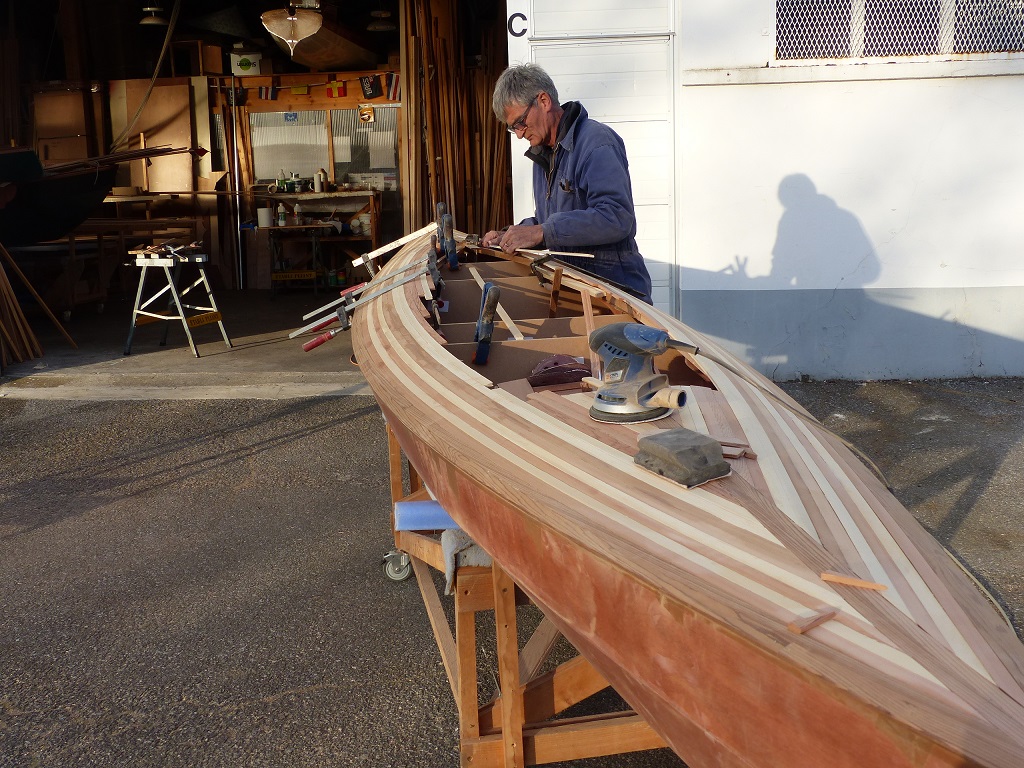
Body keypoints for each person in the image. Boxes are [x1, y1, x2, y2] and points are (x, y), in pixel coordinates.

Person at [481, 63, 654, 304]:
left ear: (543, 101)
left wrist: (542, 231)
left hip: (615, 290)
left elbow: (617, 216)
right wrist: (511, 234)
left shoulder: (597, 143)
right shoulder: (542, 154)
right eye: (513, 128)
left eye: (520, 122)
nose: (519, 134)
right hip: (576, 287)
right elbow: (550, 219)